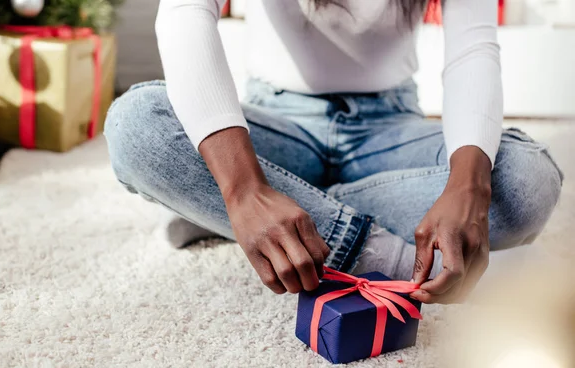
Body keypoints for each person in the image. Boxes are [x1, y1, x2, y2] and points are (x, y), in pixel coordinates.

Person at [103, 0, 563, 304]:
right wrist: (243, 188)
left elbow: (472, 49)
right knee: (137, 124)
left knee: (526, 179)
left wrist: (467, 187)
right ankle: (392, 261)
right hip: (282, 124)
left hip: (389, 128)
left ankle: (236, 211)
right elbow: (185, 11)